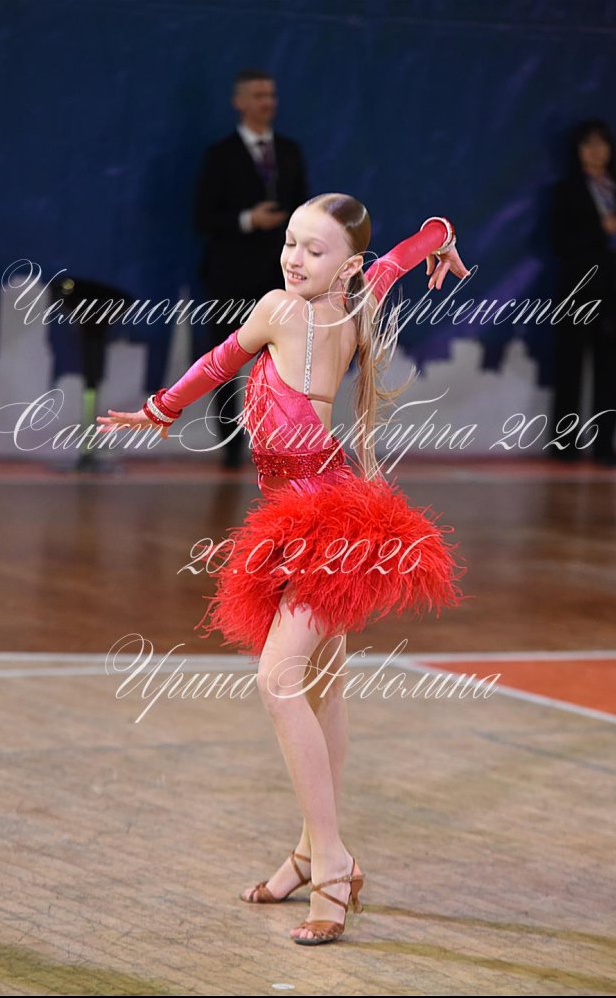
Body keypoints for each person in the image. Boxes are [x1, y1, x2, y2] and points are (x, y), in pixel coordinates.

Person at [97, 194, 472, 945]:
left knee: (279, 680)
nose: (294, 258)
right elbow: (403, 254)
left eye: (314, 249)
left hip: (325, 524)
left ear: (347, 265)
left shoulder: (283, 308)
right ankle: (307, 853)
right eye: (292, 242)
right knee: (323, 688)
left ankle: (332, 862)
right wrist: (439, 238)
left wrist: (162, 407)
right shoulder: (356, 298)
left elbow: (219, 360)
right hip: (311, 513)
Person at [195, 68, 308, 468]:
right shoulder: (220, 155)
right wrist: (248, 219)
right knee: (226, 361)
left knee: (284, 362)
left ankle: (279, 439)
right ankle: (230, 446)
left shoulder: (289, 152)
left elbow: (305, 209)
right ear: (239, 102)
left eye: (271, 95)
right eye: (259, 95)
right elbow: (203, 217)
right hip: (229, 274)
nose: (268, 103)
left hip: (278, 276)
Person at [549, 118, 616, 466]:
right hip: (578, 286)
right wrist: (603, 228)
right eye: (589, 144)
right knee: (571, 365)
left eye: (602, 144)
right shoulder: (567, 190)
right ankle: (565, 446)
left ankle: (605, 446)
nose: (596, 151)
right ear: (578, 150)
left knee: (612, 367)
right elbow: (560, 240)